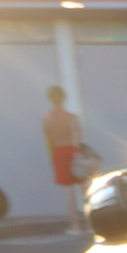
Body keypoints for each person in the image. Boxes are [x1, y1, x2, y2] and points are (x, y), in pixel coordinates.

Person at [42, 85, 85, 232]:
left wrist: (52, 157)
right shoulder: (72, 117)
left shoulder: (46, 119)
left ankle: (75, 225)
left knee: (69, 191)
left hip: (59, 151)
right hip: (73, 150)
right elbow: (78, 137)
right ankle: (91, 224)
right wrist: (78, 153)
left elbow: (49, 139)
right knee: (83, 189)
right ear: (63, 98)